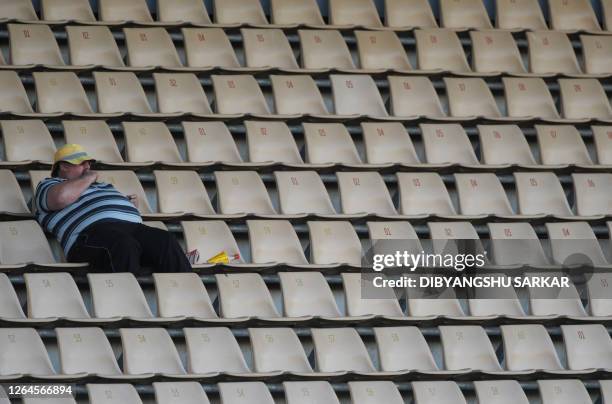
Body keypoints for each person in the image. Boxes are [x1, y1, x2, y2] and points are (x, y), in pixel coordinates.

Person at [34, 144, 191, 274]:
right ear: (63, 166)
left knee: (165, 240)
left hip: (131, 229)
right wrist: (89, 177)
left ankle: (187, 303)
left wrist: (128, 206)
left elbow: (108, 209)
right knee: (124, 245)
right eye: (81, 163)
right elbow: (60, 198)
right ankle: (129, 306)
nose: (87, 167)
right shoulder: (49, 184)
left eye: (88, 163)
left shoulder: (103, 186)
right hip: (89, 236)